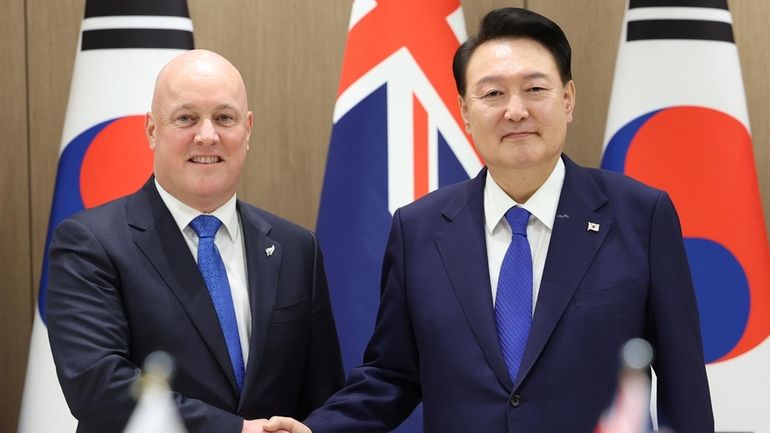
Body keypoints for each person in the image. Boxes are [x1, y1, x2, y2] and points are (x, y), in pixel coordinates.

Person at [263, 7, 713, 433]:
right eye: (493, 93)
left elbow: (682, 380)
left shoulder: (640, 215)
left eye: (535, 89)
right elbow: (392, 375)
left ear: (568, 99)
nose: (515, 110)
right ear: (464, 112)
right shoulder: (419, 229)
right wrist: (316, 429)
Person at [46, 49, 344, 433]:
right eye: (186, 118)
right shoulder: (90, 243)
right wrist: (234, 431)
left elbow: (324, 394)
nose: (207, 136)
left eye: (224, 118)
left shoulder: (297, 247)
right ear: (152, 130)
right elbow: (97, 385)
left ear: (248, 129)